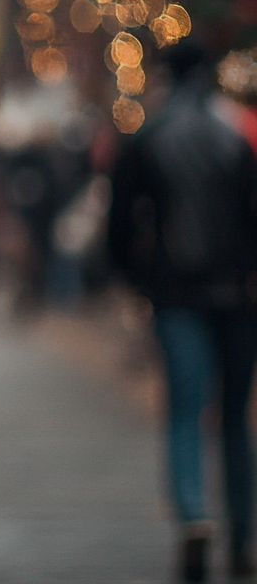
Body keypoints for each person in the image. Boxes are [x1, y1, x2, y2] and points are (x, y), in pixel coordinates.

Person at [109, 42, 257, 583]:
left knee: (185, 411)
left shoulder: (150, 137)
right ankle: (243, 531)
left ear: (167, 76)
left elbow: (119, 223)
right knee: (236, 418)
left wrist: (136, 278)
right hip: (239, 296)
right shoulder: (237, 134)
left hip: (177, 296)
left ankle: (195, 516)